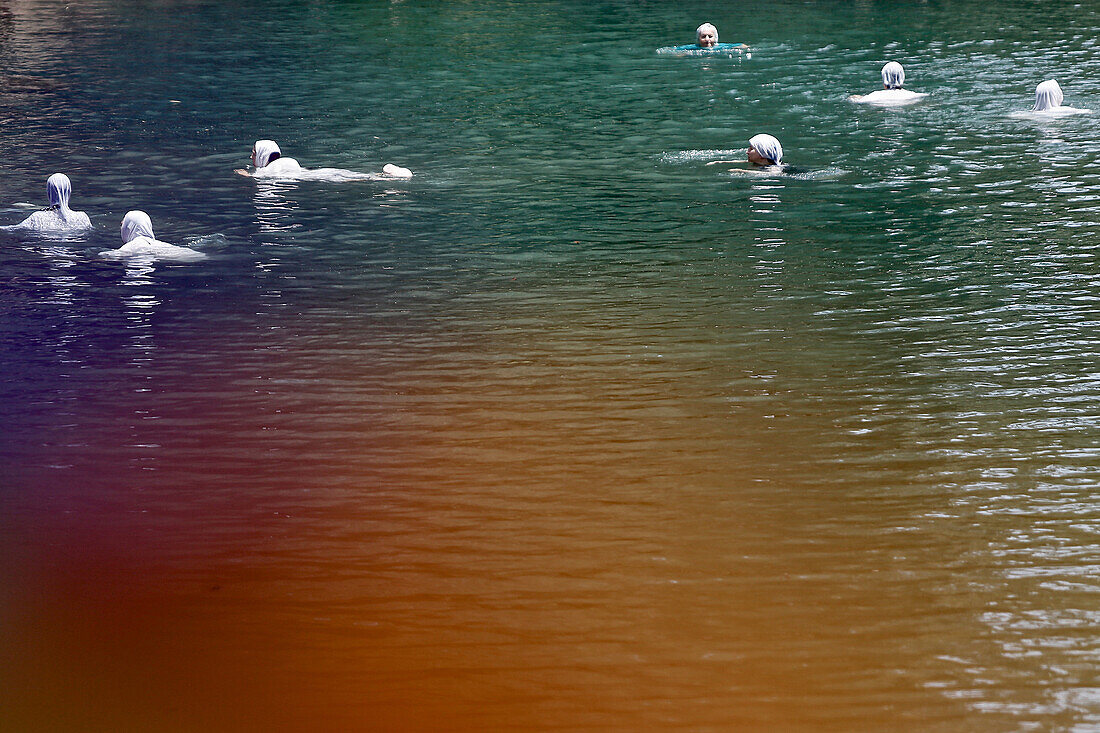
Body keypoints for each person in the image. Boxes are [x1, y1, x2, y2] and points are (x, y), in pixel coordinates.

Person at [235, 139, 413, 179]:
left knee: (355, 178)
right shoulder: (287, 161)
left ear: (263, 154)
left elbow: (260, 177)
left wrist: (244, 174)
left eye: (254, 152)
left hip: (317, 176)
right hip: (319, 172)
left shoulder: (269, 169)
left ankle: (385, 177)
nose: (251, 156)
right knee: (355, 175)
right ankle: (384, 175)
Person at [100, 210, 205, 261]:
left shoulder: (130, 247)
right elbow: (198, 256)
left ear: (128, 227)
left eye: (122, 225)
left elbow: (108, 256)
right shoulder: (161, 245)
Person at [4, 173, 93, 232]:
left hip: (46, 255)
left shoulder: (37, 218)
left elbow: (11, 229)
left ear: (48, 193)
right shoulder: (82, 218)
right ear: (69, 191)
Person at [849, 62, 928, 105]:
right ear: (902, 77)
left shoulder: (873, 96)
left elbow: (853, 99)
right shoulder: (914, 96)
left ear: (884, 78)